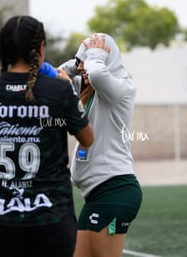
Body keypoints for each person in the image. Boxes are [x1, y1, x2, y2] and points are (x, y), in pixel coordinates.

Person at [0, 15, 94, 257]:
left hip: (2, 219)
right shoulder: (58, 91)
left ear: (2, 51)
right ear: (40, 48)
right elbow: (88, 139)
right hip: (52, 218)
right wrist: (69, 91)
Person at [60, 33, 143, 257]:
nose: (85, 68)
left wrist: (95, 53)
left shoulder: (122, 87)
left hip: (115, 192)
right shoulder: (92, 88)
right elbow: (54, 76)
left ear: (106, 57)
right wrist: (79, 59)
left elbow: (96, 73)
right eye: (83, 63)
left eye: (90, 61)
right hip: (96, 196)